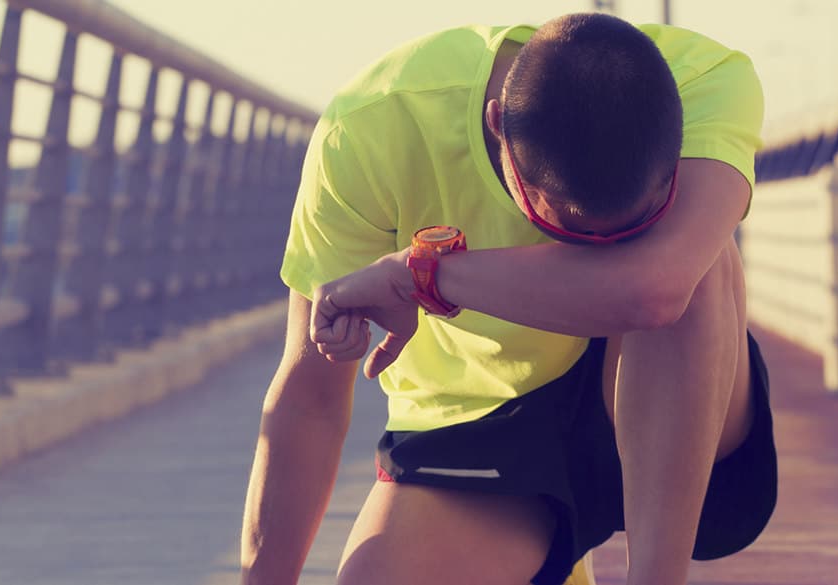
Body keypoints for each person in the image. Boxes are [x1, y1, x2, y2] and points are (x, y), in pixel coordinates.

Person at [240, 12, 777, 585]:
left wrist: (420, 277)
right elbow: (310, 398)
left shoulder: (706, 80)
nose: (595, 249)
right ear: (498, 127)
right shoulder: (371, 130)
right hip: (482, 427)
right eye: (569, 229)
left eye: (619, 235)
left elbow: (654, 293)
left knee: (697, 262)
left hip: (683, 418)